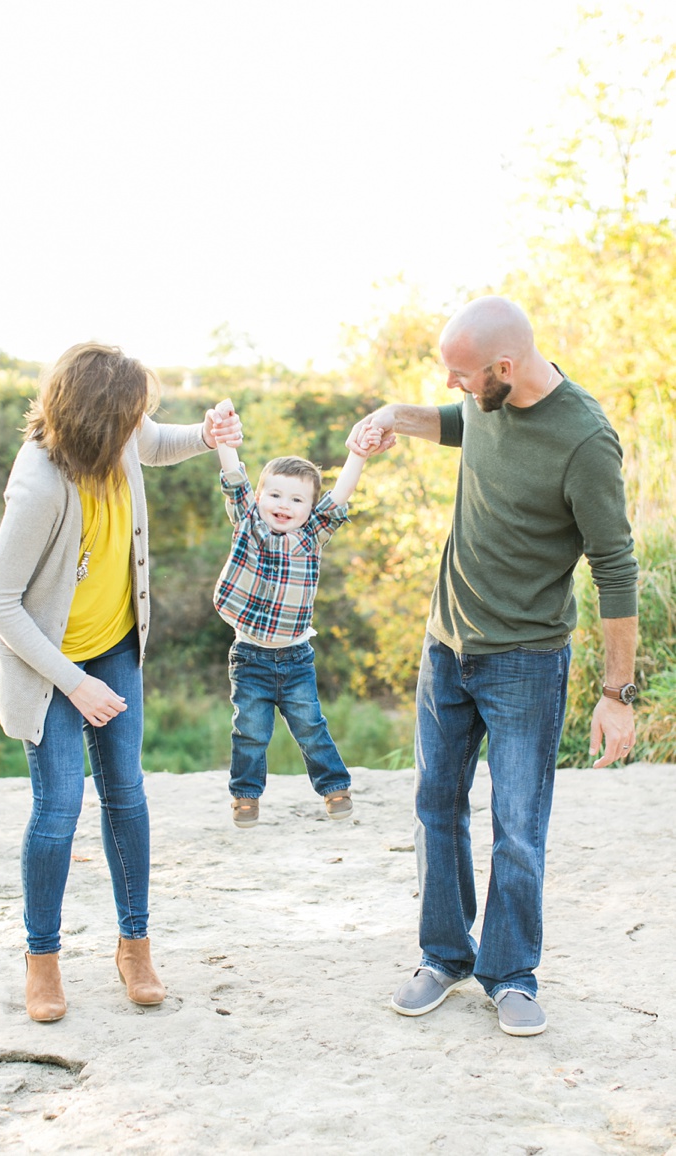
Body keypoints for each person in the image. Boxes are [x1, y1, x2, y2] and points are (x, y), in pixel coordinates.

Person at [349, 296, 638, 1036]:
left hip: (525, 663)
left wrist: (617, 693)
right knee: (435, 807)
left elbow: (615, 569)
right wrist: (390, 415)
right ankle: (443, 956)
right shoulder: (483, 398)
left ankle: (509, 974)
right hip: (445, 647)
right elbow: (455, 424)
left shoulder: (584, 440)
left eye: (460, 376)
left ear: (502, 369)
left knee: (517, 826)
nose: (453, 387)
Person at [0, 342, 242, 1023]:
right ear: (98, 424)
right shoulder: (40, 484)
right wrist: (74, 684)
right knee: (59, 808)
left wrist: (207, 437)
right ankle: (43, 960)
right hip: (51, 667)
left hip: (116, 645)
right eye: (130, 417)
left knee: (126, 794)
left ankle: (135, 947)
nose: (139, 426)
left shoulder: (120, 439)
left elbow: (157, 443)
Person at [210, 399, 388, 828]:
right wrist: (223, 437)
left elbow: (340, 496)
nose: (283, 504)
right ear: (259, 497)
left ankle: (334, 787)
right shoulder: (249, 524)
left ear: (310, 509)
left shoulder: (311, 537)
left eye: (295, 499)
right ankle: (246, 796)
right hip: (250, 655)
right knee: (250, 731)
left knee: (310, 725)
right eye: (274, 494)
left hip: (295, 658)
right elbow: (234, 480)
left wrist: (357, 455)